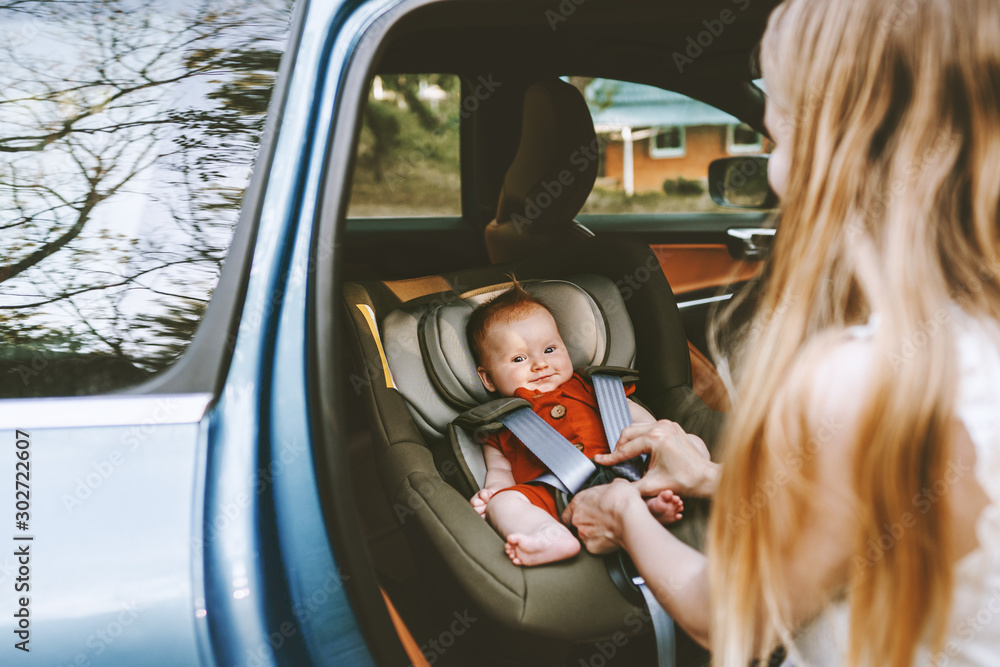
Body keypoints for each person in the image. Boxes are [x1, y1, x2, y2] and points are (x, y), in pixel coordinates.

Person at [563, 0, 1000, 664]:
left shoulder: (858, 383)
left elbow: (728, 613)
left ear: (834, 139)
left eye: (781, 114)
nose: (771, 142)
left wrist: (622, 512)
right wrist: (715, 476)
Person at [466, 281, 686, 566]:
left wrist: (655, 439)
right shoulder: (500, 420)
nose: (540, 364)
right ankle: (549, 534)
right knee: (503, 504)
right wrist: (494, 491)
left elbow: (636, 417)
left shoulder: (593, 387)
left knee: (679, 446)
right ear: (488, 378)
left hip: (625, 468)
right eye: (519, 358)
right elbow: (499, 468)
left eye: (550, 350)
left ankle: (649, 504)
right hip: (555, 494)